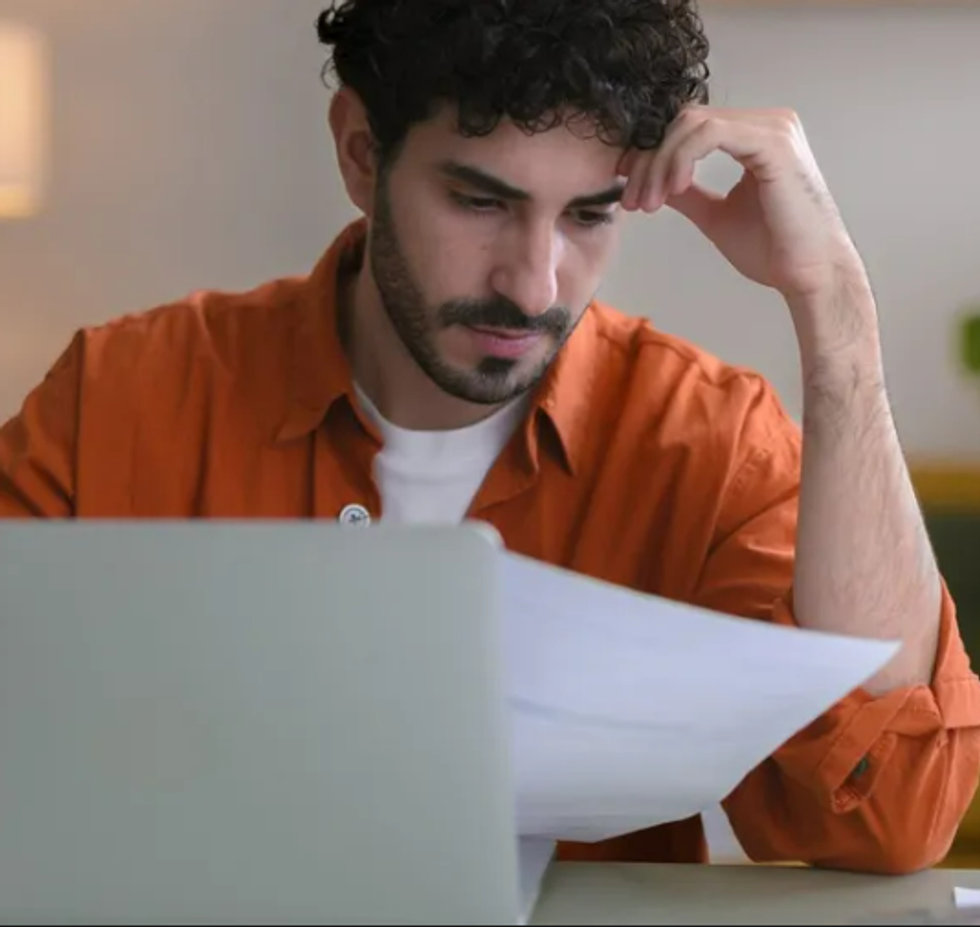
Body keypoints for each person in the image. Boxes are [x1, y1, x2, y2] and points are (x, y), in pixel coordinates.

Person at [2, 0, 978, 874]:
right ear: (357, 152)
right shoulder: (115, 401)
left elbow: (885, 816)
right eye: (480, 202)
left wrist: (838, 322)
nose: (533, 284)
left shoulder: (709, 444)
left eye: (589, 215)